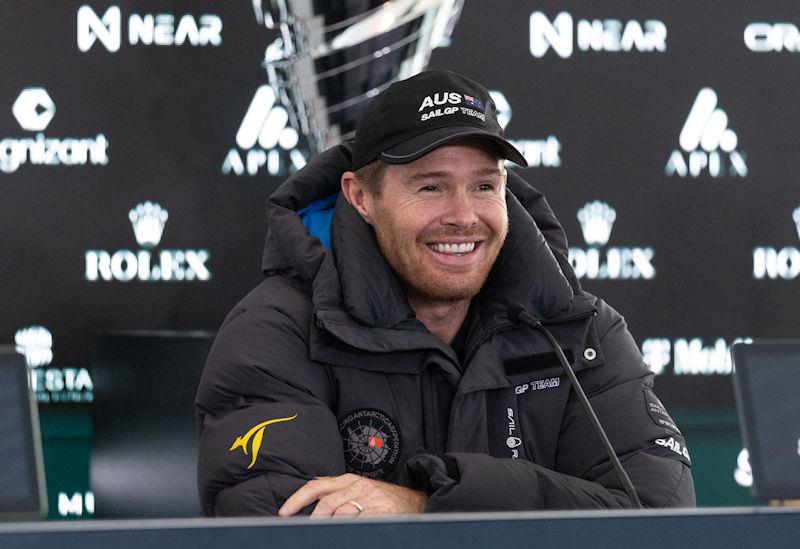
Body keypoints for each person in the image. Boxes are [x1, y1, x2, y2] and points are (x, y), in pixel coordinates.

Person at [195, 70, 695, 517]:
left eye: (484, 186)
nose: (463, 215)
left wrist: (429, 502)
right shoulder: (274, 333)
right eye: (430, 187)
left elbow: (656, 516)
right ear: (360, 197)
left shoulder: (577, 329)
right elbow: (280, 527)